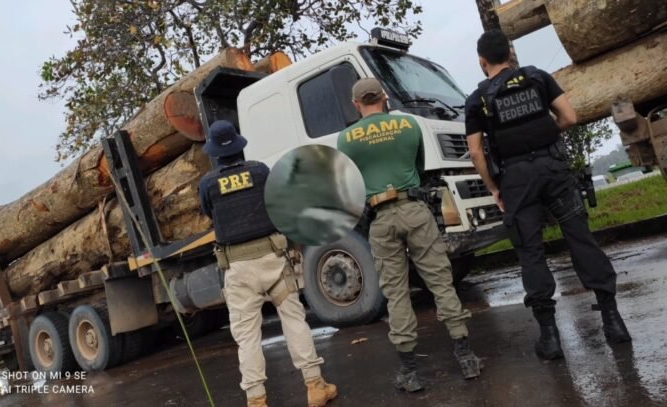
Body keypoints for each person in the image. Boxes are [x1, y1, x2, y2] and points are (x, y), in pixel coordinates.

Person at [464, 30, 631, 361]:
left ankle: (551, 339)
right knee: (581, 238)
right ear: (510, 55)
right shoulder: (537, 77)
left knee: (531, 252)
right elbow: (569, 116)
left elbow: (476, 153)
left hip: (515, 180)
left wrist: (495, 188)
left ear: (482, 61)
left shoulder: (477, 99)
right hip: (553, 170)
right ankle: (614, 323)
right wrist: (545, 137)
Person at [337, 78, 481, 392]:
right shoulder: (409, 124)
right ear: (385, 97)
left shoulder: (346, 139)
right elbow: (419, 167)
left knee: (396, 292)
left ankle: (411, 372)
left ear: (356, 103)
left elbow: (351, 182)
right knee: (441, 281)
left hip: (380, 218)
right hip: (415, 210)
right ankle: (466, 357)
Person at [198, 120, 338, 407]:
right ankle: (314, 386)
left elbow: (209, 212)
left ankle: (257, 400)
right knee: (294, 321)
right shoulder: (260, 171)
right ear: (239, 146)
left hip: (238, 270)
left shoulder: (208, 184)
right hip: (274, 260)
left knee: (247, 337)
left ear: (215, 153)